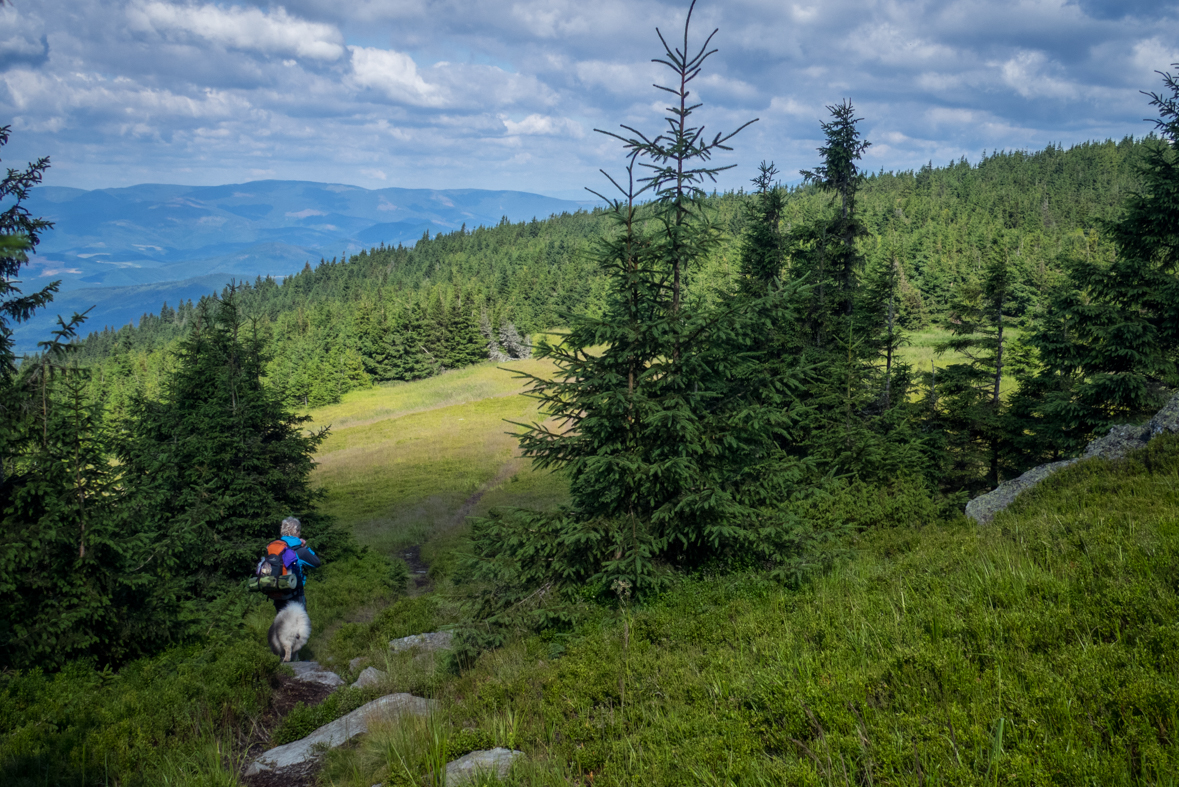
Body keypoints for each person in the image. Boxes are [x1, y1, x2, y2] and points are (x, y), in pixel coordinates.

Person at [272, 516, 322, 613]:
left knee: (283, 626)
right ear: (297, 531)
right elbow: (316, 562)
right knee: (298, 627)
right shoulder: (299, 551)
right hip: (295, 597)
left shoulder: (276, 549)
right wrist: (306, 547)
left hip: (278, 597)